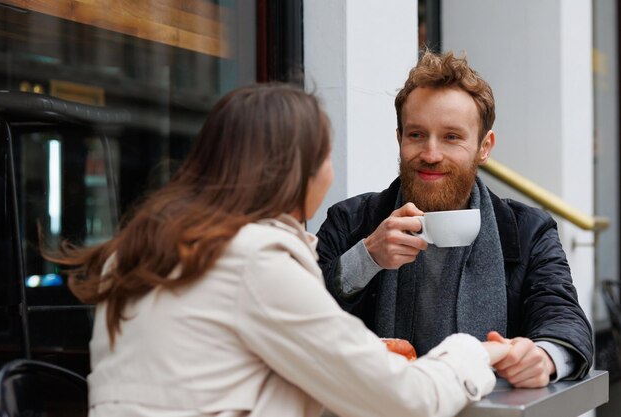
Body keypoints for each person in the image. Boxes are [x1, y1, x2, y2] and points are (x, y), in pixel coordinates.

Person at [49, 83, 510, 417]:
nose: (330, 174)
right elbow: (410, 401)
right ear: (298, 171)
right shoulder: (253, 261)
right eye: (327, 157)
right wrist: (474, 353)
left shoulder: (146, 248)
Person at [316, 50, 594, 389]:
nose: (431, 154)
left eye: (451, 137)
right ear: (399, 138)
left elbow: (562, 315)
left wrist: (545, 357)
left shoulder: (528, 230)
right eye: (416, 134)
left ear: (484, 146)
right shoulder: (350, 221)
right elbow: (302, 319)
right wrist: (367, 258)